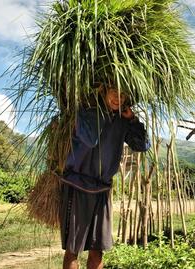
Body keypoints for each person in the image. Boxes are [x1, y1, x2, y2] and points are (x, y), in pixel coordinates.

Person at [59, 86, 150, 269]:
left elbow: (143, 145)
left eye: (123, 94)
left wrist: (131, 120)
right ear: (103, 91)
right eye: (114, 92)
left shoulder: (123, 120)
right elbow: (90, 138)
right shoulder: (86, 111)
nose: (118, 97)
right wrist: (101, 109)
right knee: (73, 249)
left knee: (97, 249)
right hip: (77, 185)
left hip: (102, 190)